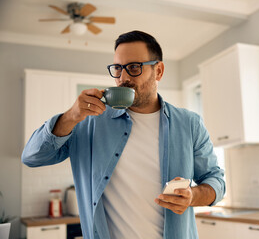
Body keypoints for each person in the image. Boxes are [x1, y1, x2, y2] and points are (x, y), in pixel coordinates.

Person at [22, 30, 225, 239]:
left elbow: (216, 181)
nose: (123, 77)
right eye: (118, 68)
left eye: (134, 67)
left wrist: (192, 196)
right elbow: (32, 156)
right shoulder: (88, 121)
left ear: (159, 71)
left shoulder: (189, 123)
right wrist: (70, 116)